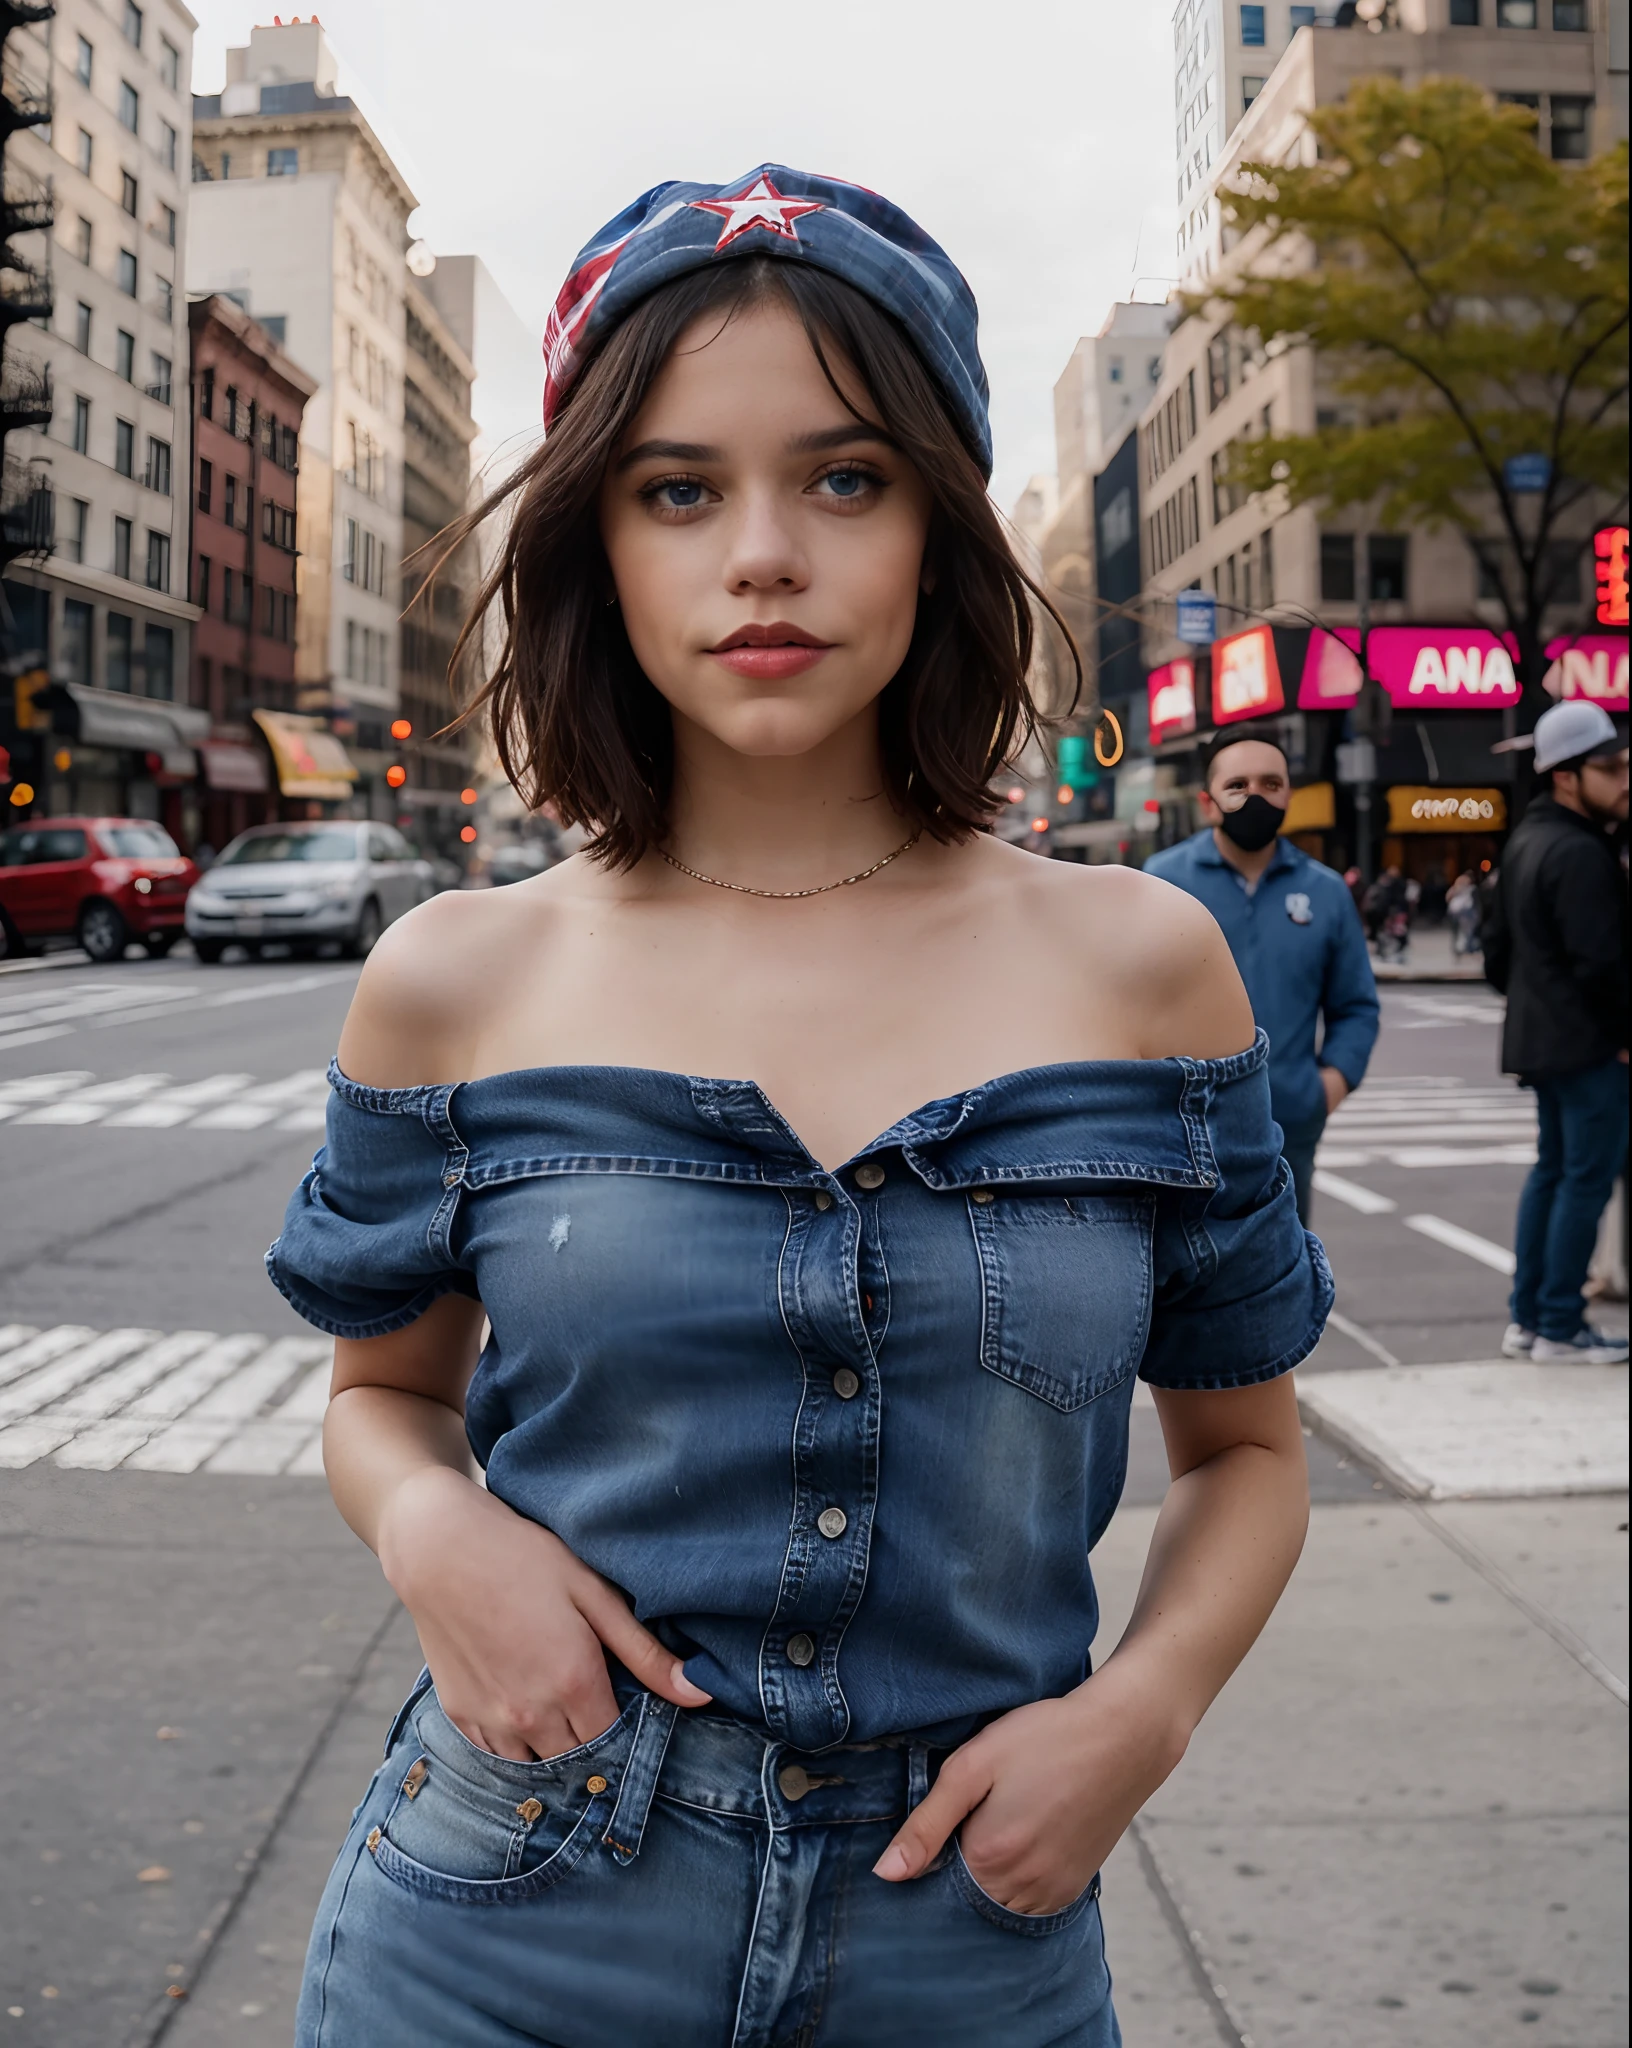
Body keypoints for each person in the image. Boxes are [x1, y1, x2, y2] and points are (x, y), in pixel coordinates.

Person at [268, 168, 1331, 2048]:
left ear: (938, 520)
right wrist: (439, 1540)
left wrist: (1143, 1712)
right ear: (604, 542)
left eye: (844, 477)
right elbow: (386, 1401)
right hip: (505, 1911)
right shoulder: (451, 974)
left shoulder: (1146, 962)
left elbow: (1245, 1451)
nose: (763, 551)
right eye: (680, 488)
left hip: (972, 1929)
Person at [1145, 731, 1379, 1222]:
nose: (1256, 796)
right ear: (1208, 803)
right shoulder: (1161, 882)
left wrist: (1328, 1087)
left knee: (1286, 1280)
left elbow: (1356, 1005)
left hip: (1288, 1123)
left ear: (1288, 796)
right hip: (1182, 1131)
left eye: (1271, 783)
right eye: (1238, 785)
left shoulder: (1327, 892)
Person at [1484, 698, 1629, 1364]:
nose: (1625, 777)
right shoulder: (1580, 852)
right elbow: (1603, 964)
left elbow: (1495, 957)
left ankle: (1529, 1319)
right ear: (1567, 775)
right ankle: (1562, 1324)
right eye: (1611, 766)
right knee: (1584, 1179)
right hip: (1589, 1044)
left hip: (1541, 1041)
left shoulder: (1524, 841)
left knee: (1552, 1173)